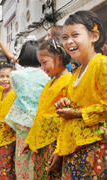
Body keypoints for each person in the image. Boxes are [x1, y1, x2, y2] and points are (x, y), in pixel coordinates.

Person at [54, 11, 107, 179]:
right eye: (64, 37)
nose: (69, 42)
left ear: (94, 36)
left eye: (75, 35)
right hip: (74, 147)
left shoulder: (102, 65)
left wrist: (76, 113)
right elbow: (80, 104)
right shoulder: (76, 74)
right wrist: (67, 103)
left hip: (95, 147)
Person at [0, 38, 50, 179]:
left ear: (23, 55)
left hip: (22, 123)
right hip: (39, 122)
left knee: (22, 158)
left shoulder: (15, 75)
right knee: (38, 158)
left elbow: (16, 90)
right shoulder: (47, 75)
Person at [22, 38, 72, 179]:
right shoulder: (48, 85)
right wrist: (29, 140)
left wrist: (59, 149)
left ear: (59, 58)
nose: (42, 68)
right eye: (40, 64)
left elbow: (68, 121)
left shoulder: (69, 82)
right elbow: (40, 115)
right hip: (42, 143)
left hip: (56, 143)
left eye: (44, 63)